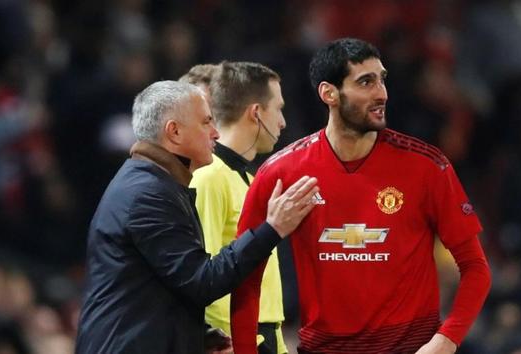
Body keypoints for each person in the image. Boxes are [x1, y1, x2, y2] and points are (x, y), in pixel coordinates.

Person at [230, 38, 492, 354]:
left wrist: (446, 340)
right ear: (329, 93)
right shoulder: (280, 172)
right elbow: (246, 276)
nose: (381, 92)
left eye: (382, 80)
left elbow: (475, 267)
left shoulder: (426, 166)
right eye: (366, 82)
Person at [75, 80, 319, 354]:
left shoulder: (155, 183)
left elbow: (158, 285)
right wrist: (271, 228)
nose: (215, 133)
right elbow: (203, 281)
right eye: (206, 123)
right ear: (174, 131)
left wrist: (197, 335)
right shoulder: (147, 194)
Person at [189, 61, 288, 354]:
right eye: (279, 108)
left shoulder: (251, 179)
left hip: (265, 335)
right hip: (237, 340)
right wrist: (226, 340)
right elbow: (198, 274)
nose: (283, 122)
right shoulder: (209, 177)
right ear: (256, 112)